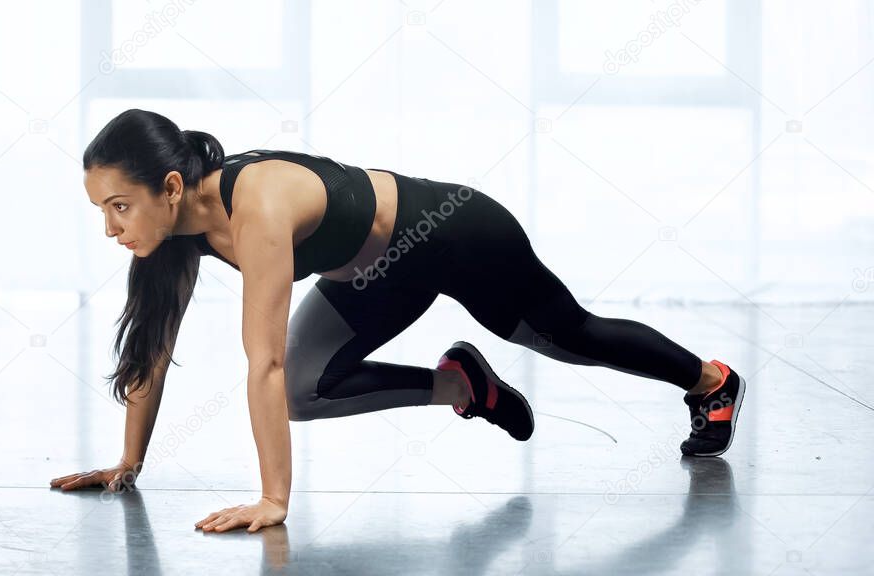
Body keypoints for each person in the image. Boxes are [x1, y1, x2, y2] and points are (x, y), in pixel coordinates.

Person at [49, 108, 746, 533]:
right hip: (374, 275)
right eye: (99, 211)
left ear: (169, 188)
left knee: (571, 337)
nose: (110, 228)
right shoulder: (173, 233)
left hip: (455, 236)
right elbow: (150, 344)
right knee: (304, 391)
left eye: (119, 206)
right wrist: (127, 464)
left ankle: (710, 381)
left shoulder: (254, 205)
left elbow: (261, 359)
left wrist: (272, 498)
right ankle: (465, 387)